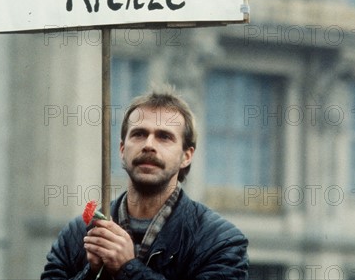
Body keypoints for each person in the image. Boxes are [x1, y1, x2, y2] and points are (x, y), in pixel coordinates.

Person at [41, 90, 249, 279]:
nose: (149, 145)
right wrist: (92, 273)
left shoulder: (219, 241)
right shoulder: (77, 234)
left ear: (186, 156)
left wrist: (127, 267)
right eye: (139, 134)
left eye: (164, 137)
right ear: (122, 149)